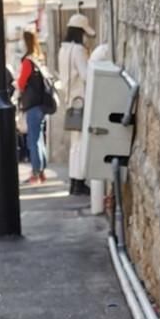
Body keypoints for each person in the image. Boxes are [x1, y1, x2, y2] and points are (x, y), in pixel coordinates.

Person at [58, 13, 95, 195]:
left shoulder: (63, 50)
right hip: (81, 100)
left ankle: (74, 181)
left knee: (75, 144)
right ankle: (79, 181)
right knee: (81, 142)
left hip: (69, 101)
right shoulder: (78, 51)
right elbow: (86, 75)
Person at [16, 30, 47, 185]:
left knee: (32, 140)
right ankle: (41, 171)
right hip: (42, 104)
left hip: (32, 105)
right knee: (39, 138)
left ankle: (36, 172)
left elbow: (21, 83)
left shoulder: (28, 61)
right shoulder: (39, 58)